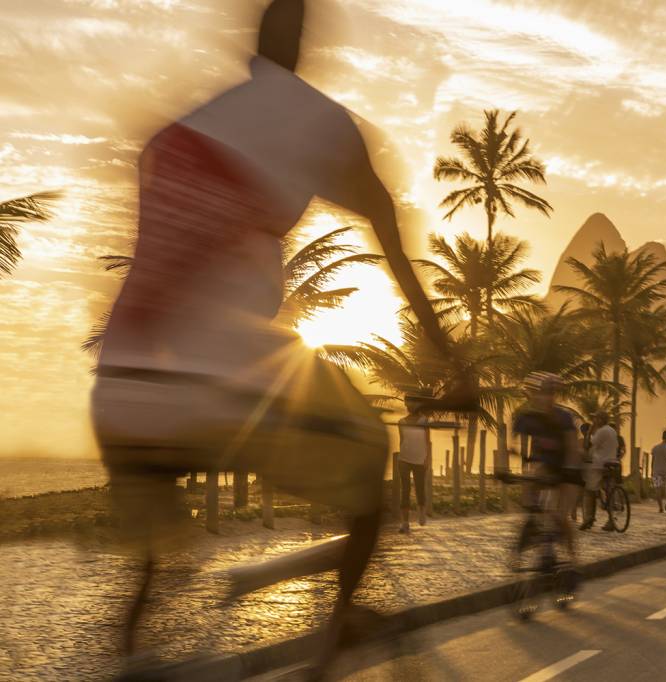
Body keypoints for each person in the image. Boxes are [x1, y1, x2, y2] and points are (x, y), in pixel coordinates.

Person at [89, 0, 473, 670]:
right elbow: (395, 249)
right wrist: (452, 363)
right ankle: (331, 641)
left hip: (119, 392)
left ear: (251, 51)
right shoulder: (321, 122)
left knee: (157, 569)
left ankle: (128, 661)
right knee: (367, 470)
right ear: (303, 50)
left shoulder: (180, 127)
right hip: (215, 381)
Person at [511, 373, 582, 563]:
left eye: (548, 394)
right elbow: (511, 444)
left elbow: (573, 448)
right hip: (544, 466)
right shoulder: (526, 418)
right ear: (531, 396)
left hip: (567, 468)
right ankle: (532, 531)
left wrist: (570, 470)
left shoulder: (564, 417)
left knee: (560, 516)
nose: (544, 398)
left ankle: (572, 558)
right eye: (539, 394)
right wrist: (502, 467)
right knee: (531, 481)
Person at [580, 411, 619, 531]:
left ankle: (588, 518)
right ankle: (611, 520)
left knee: (589, 490)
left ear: (601, 420)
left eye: (596, 419)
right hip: (612, 462)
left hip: (599, 464)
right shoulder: (612, 431)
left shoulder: (601, 431)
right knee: (609, 491)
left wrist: (590, 431)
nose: (594, 421)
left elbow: (588, 444)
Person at [397, 396, 430, 534]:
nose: (409, 405)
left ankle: (421, 511)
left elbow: (428, 441)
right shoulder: (401, 422)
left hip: (419, 459)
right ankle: (405, 523)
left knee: (419, 487)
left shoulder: (424, 421)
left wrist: (427, 459)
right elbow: (402, 441)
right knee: (405, 490)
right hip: (404, 459)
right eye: (408, 402)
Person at [651, 430, 666, 513]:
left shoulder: (655, 448)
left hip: (657, 471)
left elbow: (653, 460)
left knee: (658, 489)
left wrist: (652, 470)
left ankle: (660, 507)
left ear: (662, 437)